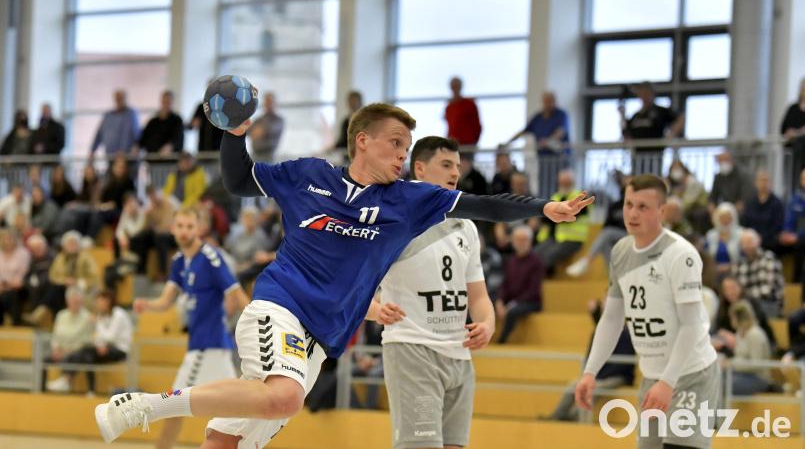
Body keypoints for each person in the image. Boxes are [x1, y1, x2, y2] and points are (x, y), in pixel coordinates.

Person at [95, 102, 593, 448]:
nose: (403, 154)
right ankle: (146, 406)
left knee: (231, 438)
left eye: (408, 146)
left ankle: (157, 409)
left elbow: (485, 204)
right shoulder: (309, 175)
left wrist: (543, 207)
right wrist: (235, 134)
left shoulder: (411, 201)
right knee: (285, 397)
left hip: (320, 339)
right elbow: (237, 180)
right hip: (279, 307)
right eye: (396, 144)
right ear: (362, 141)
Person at [575, 174, 719, 449]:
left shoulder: (681, 254)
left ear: (662, 212)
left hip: (690, 375)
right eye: (629, 204)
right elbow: (613, 318)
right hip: (653, 376)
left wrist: (669, 381)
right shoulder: (620, 251)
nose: (632, 213)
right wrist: (590, 372)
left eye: (643, 207)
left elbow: (692, 326)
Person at [372, 136, 495, 449]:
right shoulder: (395, 219)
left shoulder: (465, 226)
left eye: (457, 165)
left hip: (459, 356)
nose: (455, 172)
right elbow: (351, 282)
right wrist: (373, 310)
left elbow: (479, 297)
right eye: (446, 165)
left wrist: (487, 323)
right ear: (420, 169)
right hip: (413, 349)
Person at [131, 207, 250, 449]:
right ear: (173, 229)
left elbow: (236, 294)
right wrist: (147, 304)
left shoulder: (210, 258)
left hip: (208, 347)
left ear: (199, 229)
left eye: (190, 227)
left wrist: (257, 326)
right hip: (204, 347)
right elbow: (166, 300)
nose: (185, 231)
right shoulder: (178, 261)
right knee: (237, 409)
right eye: (181, 226)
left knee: (174, 406)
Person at [544, 298, 635, 422]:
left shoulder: (626, 333)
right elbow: (590, 355)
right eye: (603, 303)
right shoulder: (598, 332)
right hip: (600, 375)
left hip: (618, 376)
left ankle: (575, 418)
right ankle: (557, 416)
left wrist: (598, 375)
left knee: (593, 389)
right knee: (573, 385)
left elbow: (623, 364)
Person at [47, 290, 133, 394]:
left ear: (107, 301)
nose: (98, 304)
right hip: (106, 348)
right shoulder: (103, 316)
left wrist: (97, 322)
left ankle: (67, 379)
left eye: (100, 301)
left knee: (85, 349)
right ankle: (90, 390)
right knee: (88, 357)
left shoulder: (118, 314)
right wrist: (100, 345)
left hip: (120, 350)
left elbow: (110, 337)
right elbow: (98, 337)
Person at [506, 91, 571, 197]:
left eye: (550, 101)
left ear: (554, 101)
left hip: (559, 158)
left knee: (559, 184)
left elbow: (561, 131)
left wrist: (549, 140)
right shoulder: (538, 117)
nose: (548, 104)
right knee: (545, 185)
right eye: (546, 101)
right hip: (543, 159)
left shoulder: (561, 115)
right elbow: (524, 131)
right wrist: (508, 142)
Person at [566, 174, 628, 277]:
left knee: (607, 233)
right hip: (616, 237)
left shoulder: (636, 206)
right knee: (605, 245)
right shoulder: (615, 205)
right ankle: (614, 279)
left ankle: (587, 261)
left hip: (632, 235)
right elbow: (606, 225)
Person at [620, 82, 684, 176]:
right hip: (637, 156)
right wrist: (622, 116)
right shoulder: (636, 116)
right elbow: (626, 133)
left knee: (652, 180)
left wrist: (670, 135)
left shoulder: (660, 111)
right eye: (641, 94)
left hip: (654, 155)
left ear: (652, 94)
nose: (644, 97)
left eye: (646, 93)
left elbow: (680, 118)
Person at [496, 225, 545, 344]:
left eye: (524, 239)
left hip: (531, 302)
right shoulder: (511, 260)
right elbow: (505, 285)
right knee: (487, 304)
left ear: (530, 241)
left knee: (513, 311)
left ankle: (501, 341)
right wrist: (500, 301)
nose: (521, 243)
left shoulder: (536, 262)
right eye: (517, 239)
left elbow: (533, 291)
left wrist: (512, 304)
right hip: (512, 301)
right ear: (512, 241)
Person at [535, 170, 591, 272]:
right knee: (534, 254)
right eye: (562, 182)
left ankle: (545, 282)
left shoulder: (580, 197)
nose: (564, 185)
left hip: (574, 239)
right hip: (555, 238)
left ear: (573, 182)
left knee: (548, 256)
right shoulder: (555, 197)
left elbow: (569, 216)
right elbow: (546, 218)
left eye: (567, 182)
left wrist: (555, 216)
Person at [45, 286, 94, 392]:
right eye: (72, 301)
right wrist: (56, 348)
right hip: (60, 350)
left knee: (76, 356)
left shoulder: (88, 317)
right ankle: (40, 389)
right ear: (67, 301)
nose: (75, 304)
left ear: (82, 301)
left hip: (76, 351)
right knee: (44, 358)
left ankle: (66, 381)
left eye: (77, 302)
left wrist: (68, 351)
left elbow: (87, 340)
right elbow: (55, 336)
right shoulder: (61, 315)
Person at [731, 229, 784, 318]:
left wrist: (744, 296)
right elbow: (735, 288)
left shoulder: (769, 258)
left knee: (748, 308)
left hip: (769, 304)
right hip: (744, 303)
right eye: (744, 243)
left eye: (750, 242)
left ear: (759, 241)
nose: (747, 245)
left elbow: (768, 291)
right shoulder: (738, 262)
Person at [725, 300, 772, 396]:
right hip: (741, 374)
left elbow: (756, 364)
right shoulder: (739, 333)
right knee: (718, 378)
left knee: (726, 384)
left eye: (732, 317)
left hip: (758, 377)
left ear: (739, 318)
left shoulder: (755, 334)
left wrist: (732, 364)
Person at [741, 170, 785, 251]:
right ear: (756, 183)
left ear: (770, 183)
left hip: (769, 242)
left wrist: (761, 238)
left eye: (766, 180)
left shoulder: (777, 203)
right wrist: (752, 237)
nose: (763, 183)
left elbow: (778, 226)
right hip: (750, 241)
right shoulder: (750, 201)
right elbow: (745, 222)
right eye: (761, 180)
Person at [778, 169, 805, 290]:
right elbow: (789, 220)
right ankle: (793, 286)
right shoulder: (795, 199)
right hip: (796, 241)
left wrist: (798, 236)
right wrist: (786, 233)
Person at [90, 90, 140, 157]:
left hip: (126, 157)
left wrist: (128, 149)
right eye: (117, 99)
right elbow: (99, 134)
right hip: (111, 155)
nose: (119, 101)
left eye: (121, 98)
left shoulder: (131, 114)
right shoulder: (108, 116)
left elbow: (135, 134)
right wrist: (93, 151)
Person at [667, 160, 710, 236]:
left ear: (684, 169)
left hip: (694, 209)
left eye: (677, 169)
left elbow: (688, 202)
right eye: (673, 169)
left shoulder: (693, 182)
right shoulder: (673, 183)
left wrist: (674, 211)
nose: (675, 171)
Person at [0, 229, 31, 325]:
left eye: (10, 238)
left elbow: (21, 277)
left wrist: (5, 285)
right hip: (2, 287)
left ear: (15, 239)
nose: (7, 241)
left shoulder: (23, 253)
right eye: (4, 238)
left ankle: (16, 324)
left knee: (10, 295)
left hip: (19, 287)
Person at [139, 91, 184, 156]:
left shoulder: (177, 120)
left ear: (172, 103)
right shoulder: (153, 121)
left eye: (168, 102)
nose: (166, 104)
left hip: (169, 161)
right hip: (152, 160)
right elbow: (143, 139)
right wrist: (137, 146)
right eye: (164, 101)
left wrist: (170, 146)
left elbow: (178, 139)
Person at [781, 77, 805, 195]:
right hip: (793, 152)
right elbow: (784, 130)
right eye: (803, 88)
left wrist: (796, 133)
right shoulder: (793, 109)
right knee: (792, 180)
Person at [705, 202, 742, 276]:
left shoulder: (741, 234)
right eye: (722, 217)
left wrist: (730, 267)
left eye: (728, 217)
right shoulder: (710, 235)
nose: (725, 220)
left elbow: (744, 258)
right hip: (715, 273)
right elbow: (707, 256)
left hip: (736, 272)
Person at [444, 77, 481, 146]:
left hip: (467, 144)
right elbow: (450, 126)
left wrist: (473, 142)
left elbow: (477, 126)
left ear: (460, 87)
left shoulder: (469, 104)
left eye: (457, 86)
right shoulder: (449, 107)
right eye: (453, 87)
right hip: (452, 144)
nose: (455, 89)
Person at [248, 92, 284, 162]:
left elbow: (269, 130)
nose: (268, 104)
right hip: (255, 156)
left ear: (275, 103)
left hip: (268, 157)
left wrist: (260, 131)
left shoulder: (278, 120)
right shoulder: (259, 119)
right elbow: (248, 131)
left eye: (270, 102)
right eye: (266, 102)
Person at [334, 91, 363, 159]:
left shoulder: (366, 120)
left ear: (360, 102)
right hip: (347, 156)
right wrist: (332, 148)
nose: (352, 104)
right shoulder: (345, 121)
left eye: (354, 101)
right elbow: (342, 140)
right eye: (350, 101)